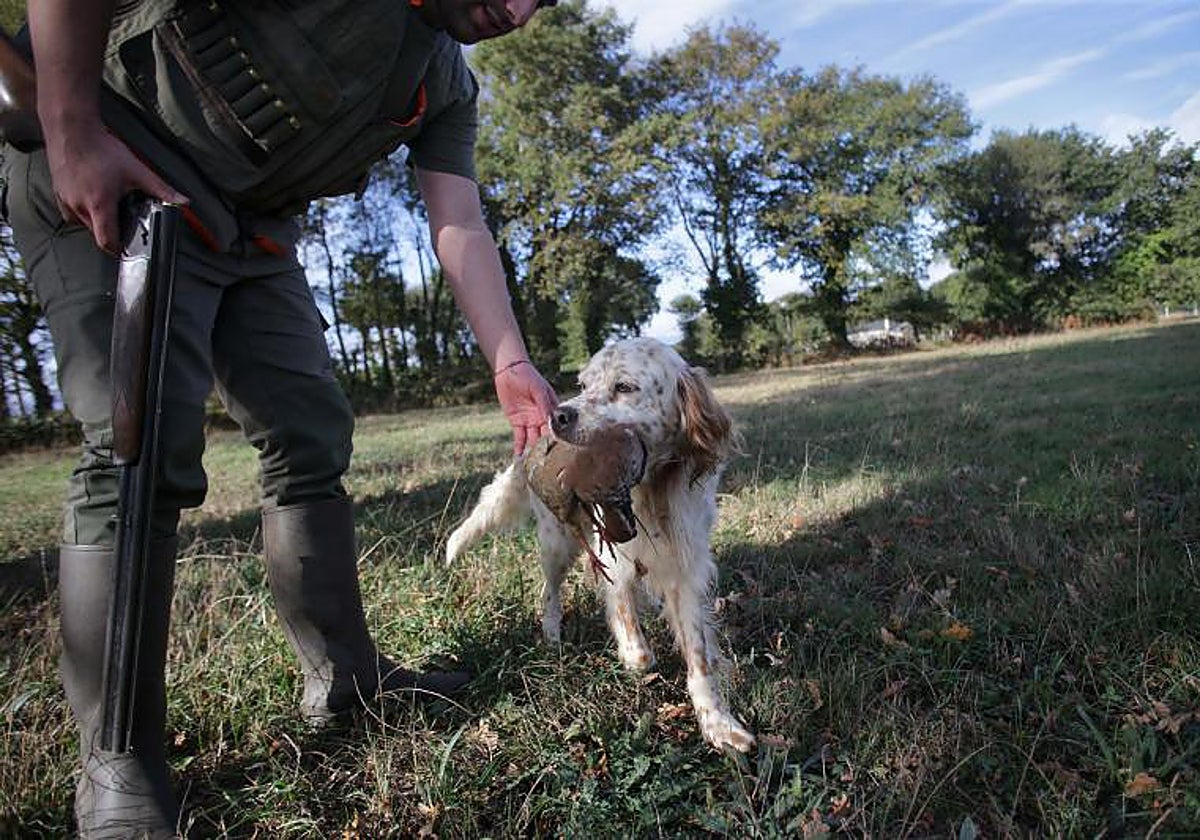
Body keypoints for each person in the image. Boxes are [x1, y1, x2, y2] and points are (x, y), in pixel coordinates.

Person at [2, 0, 560, 836]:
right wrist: (71, 126)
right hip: (116, 164)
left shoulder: (443, 82)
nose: (517, 11)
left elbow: (460, 222)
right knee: (139, 445)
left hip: (245, 232)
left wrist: (510, 361)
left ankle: (344, 680)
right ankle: (117, 761)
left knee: (309, 434)